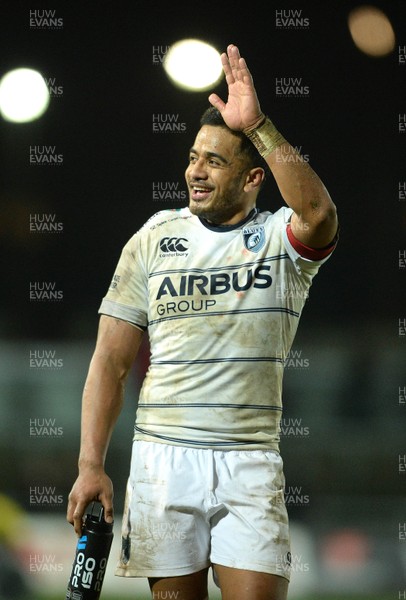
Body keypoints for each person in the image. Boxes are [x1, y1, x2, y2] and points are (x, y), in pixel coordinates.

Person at [67, 44, 338, 600]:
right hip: (163, 460)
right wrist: (90, 464)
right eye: (193, 156)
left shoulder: (278, 242)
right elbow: (111, 363)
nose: (195, 170)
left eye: (214, 161)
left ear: (253, 178)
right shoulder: (152, 239)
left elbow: (320, 216)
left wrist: (257, 123)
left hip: (250, 459)